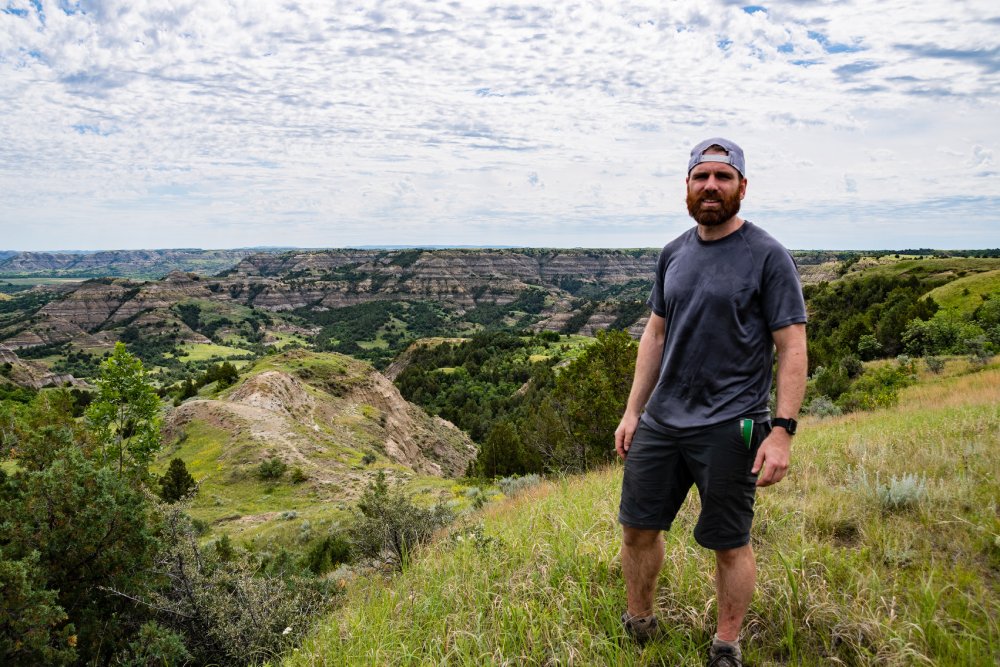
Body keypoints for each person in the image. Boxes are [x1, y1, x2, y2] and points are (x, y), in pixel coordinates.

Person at [614, 137, 808, 667]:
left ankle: (726, 644)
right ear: (687, 187)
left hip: (734, 424)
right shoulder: (674, 252)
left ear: (742, 186)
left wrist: (782, 430)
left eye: (723, 177)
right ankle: (640, 622)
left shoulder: (767, 255)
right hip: (663, 420)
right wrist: (634, 411)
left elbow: (792, 346)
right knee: (637, 527)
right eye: (702, 177)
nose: (711, 187)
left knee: (729, 540)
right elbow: (654, 336)